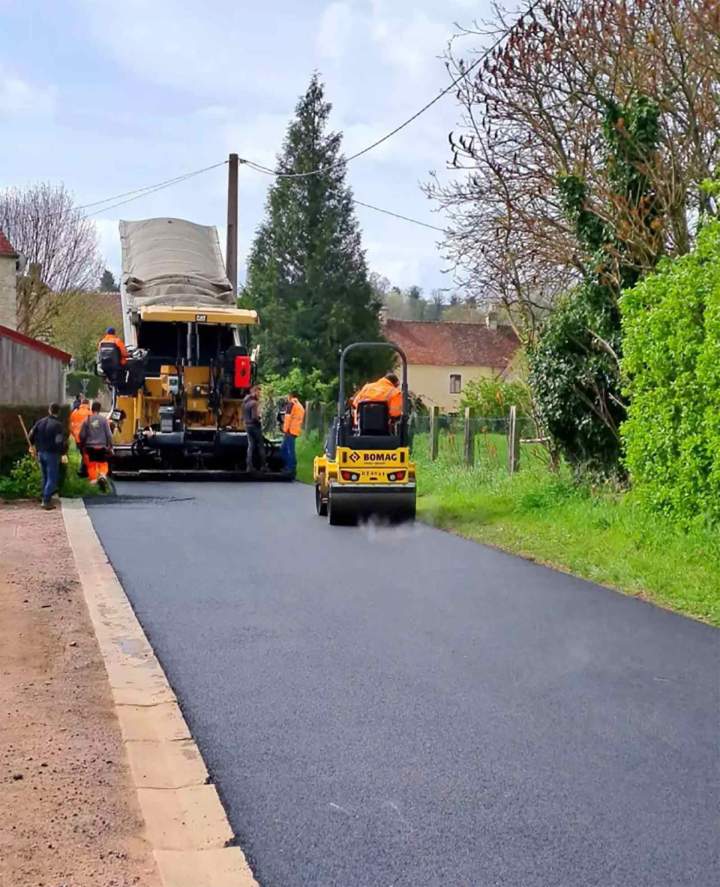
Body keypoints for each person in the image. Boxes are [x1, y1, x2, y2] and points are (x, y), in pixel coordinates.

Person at [28, 403, 67, 510]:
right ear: (58, 412)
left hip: (41, 452)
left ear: (49, 410)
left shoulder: (40, 422)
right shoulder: (57, 425)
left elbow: (31, 435)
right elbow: (59, 441)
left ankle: (45, 498)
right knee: (52, 478)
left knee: (45, 476)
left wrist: (32, 446)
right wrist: (63, 452)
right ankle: (46, 500)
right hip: (52, 454)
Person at [79, 401, 113, 490]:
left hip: (90, 447)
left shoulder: (87, 420)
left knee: (91, 465)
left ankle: (93, 481)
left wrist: (82, 445)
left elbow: (82, 435)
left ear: (92, 409)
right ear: (99, 409)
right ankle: (102, 476)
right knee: (103, 463)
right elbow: (109, 435)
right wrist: (110, 446)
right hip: (102, 447)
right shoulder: (104, 420)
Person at [280, 391, 305, 478]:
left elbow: (288, 418)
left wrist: (285, 429)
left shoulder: (291, 404)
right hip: (295, 430)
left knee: (287, 450)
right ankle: (289, 468)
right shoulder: (300, 406)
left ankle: (290, 468)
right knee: (286, 449)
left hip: (290, 430)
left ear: (290, 396)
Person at [242, 385, 266, 472]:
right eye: (259, 393)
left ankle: (249, 466)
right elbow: (254, 417)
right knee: (261, 445)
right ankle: (263, 465)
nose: (260, 395)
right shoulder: (254, 403)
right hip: (254, 426)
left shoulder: (245, 402)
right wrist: (260, 420)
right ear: (254, 392)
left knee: (251, 445)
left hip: (247, 426)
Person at [69, 397, 92, 477]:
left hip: (77, 438)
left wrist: (74, 434)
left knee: (83, 453)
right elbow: (93, 425)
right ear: (88, 404)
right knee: (86, 454)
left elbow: (70, 425)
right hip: (86, 438)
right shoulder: (89, 413)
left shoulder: (75, 412)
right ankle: (84, 471)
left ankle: (83, 470)